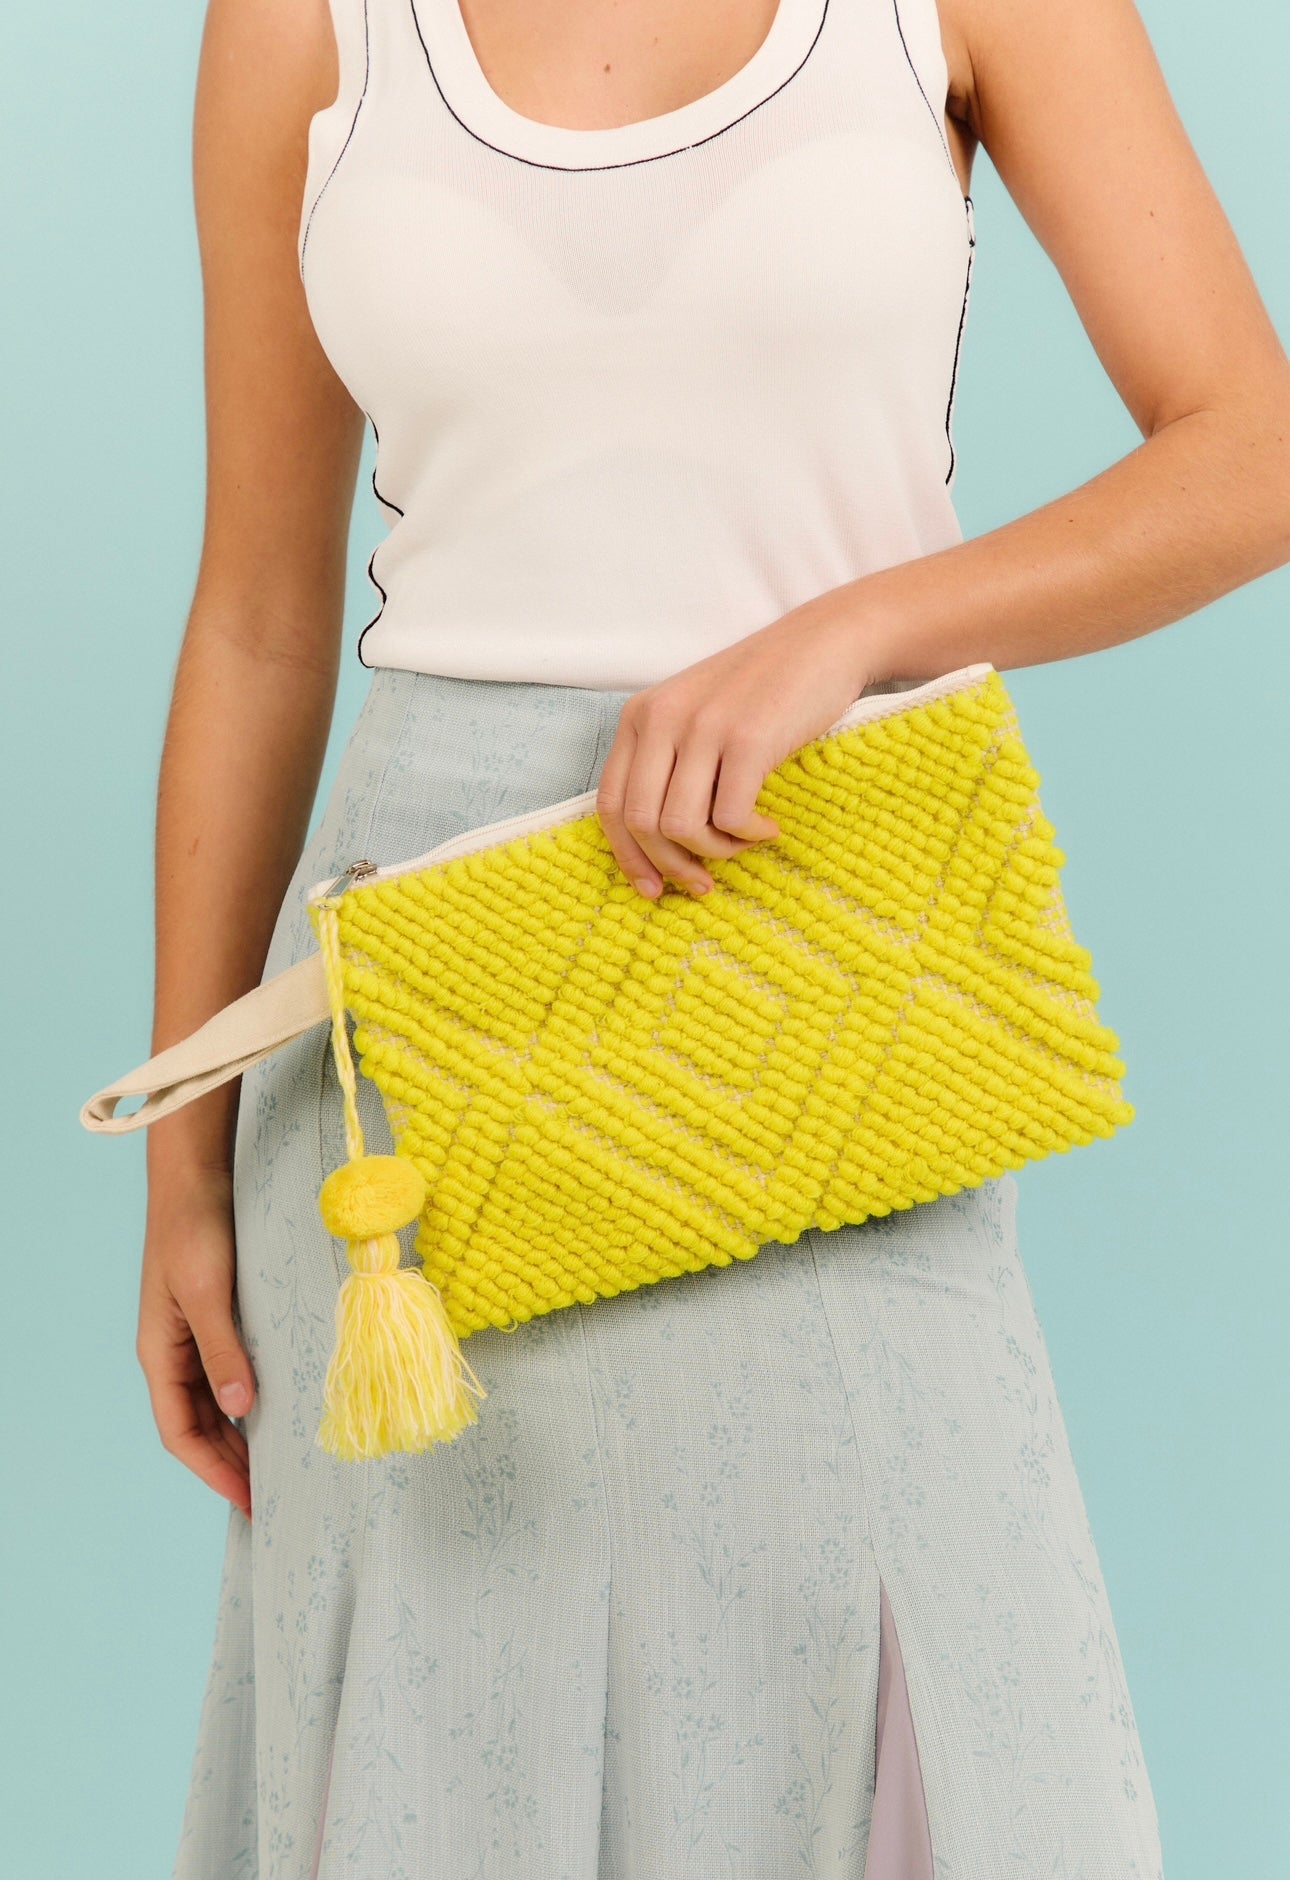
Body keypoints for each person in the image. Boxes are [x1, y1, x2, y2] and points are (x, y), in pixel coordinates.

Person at [137, 0, 1290, 1873]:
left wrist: (851, 630)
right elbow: (260, 620)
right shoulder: (296, 24)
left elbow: (1251, 451)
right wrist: (182, 1165)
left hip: (827, 948)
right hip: (418, 1042)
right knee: (452, 1741)